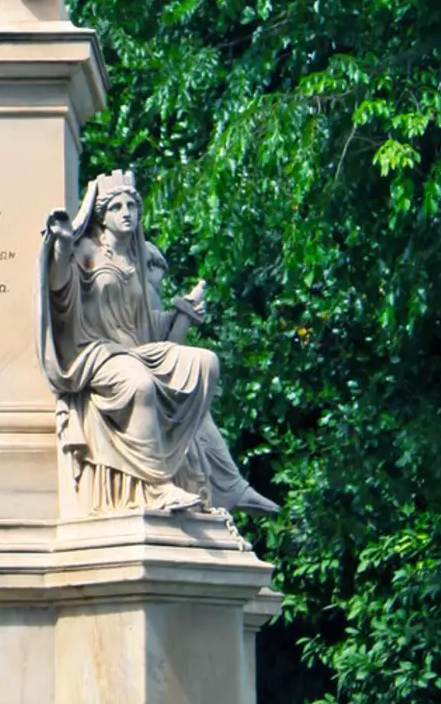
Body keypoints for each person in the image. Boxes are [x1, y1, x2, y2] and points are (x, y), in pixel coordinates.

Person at [36, 171, 212, 514]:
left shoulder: (136, 263)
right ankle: (159, 486)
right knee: (140, 384)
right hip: (96, 354)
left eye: (132, 205)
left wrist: (186, 314)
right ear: (102, 215)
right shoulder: (86, 250)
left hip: (138, 352)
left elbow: (154, 332)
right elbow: (59, 288)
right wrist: (62, 245)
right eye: (117, 206)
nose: (127, 212)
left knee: (205, 364)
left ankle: (184, 468)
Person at [142, 242, 278, 516]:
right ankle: (232, 488)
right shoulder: (131, 288)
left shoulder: (146, 293)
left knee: (196, 403)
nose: (158, 280)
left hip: (150, 369)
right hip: (130, 372)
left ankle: (232, 487)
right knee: (186, 403)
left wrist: (185, 316)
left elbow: (167, 351)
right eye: (155, 270)